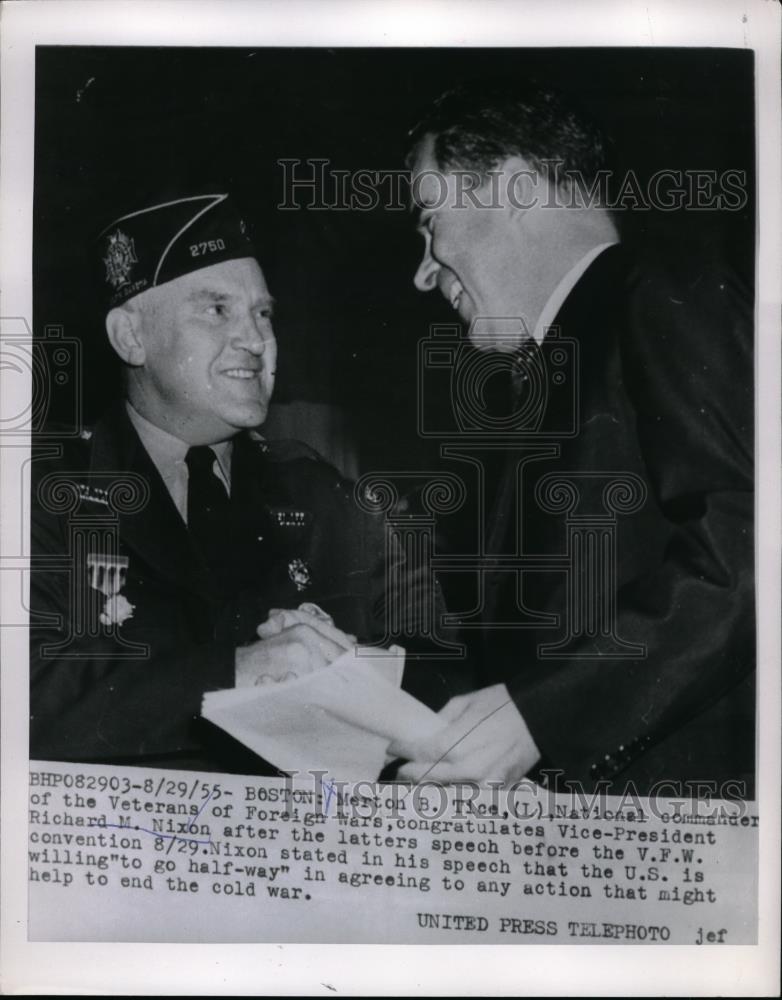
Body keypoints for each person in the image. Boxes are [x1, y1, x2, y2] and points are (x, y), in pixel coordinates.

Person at [394, 81, 755, 796]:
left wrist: (539, 719)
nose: (422, 270)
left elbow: (750, 552)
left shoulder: (662, 294)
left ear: (520, 189)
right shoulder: (550, 370)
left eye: (430, 219)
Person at [29, 189, 454, 773]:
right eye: (217, 310)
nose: (256, 340)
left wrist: (356, 670)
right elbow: (29, 700)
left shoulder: (322, 495)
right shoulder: (43, 494)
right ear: (131, 336)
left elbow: (444, 667)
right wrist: (240, 674)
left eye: (263, 313)